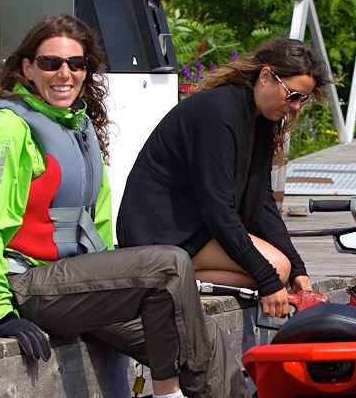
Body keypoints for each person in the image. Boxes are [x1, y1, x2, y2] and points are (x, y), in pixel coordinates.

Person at [0, 13, 260, 398]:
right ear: (26, 68)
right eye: (51, 63)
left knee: (201, 337)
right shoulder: (4, 129)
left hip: (77, 286)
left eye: (77, 63)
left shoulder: (79, 126)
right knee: (169, 266)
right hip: (26, 284)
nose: (64, 74)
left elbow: (98, 224)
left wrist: (112, 281)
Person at [117, 38, 333, 318]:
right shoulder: (218, 112)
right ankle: (164, 275)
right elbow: (217, 209)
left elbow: (262, 202)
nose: (295, 107)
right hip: (159, 230)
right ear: (266, 76)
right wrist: (267, 280)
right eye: (292, 95)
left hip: (193, 226)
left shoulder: (259, 119)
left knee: (281, 268)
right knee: (273, 270)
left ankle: (173, 277)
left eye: (302, 99)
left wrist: (299, 269)